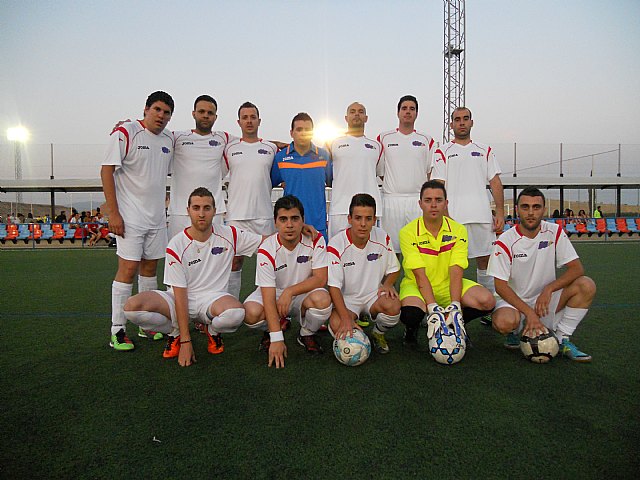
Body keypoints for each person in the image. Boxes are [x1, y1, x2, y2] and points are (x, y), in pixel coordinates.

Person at [123, 187, 263, 366]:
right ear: (188, 211)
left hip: (213, 299)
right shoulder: (177, 244)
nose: (202, 213)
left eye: (207, 208)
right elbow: (180, 294)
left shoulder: (231, 234)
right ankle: (174, 333)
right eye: (196, 208)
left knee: (236, 313)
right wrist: (185, 341)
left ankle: (212, 331)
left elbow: (267, 241)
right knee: (132, 308)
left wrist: (298, 230)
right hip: (178, 298)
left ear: (215, 210)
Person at [100, 91, 175, 351]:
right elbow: (106, 170)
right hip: (130, 218)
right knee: (128, 270)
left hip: (157, 219)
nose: (161, 116)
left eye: (166, 113)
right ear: (145, 109)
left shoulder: (169, 139)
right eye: (157, 110)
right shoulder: (126, 132)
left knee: (149, 270)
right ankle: (117, 330)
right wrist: (114, 213)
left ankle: (145, 325)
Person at [487, 187, 596, 362]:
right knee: (503, 322)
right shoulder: (505, 241)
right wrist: (528, 313)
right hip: (515, 302)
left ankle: (562, 338)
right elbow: (500, 286)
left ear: (543, 209)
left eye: (536, 207)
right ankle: (516, 331)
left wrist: (549, 289)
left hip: (544, 301)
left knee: (586, 285)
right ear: (517, 210)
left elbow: (577, 269)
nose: (531, 212)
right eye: (525, 207)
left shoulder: (554, 232)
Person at [398, 180, 495, 346]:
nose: (433, 205)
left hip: (448, 284)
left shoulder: (458, 230)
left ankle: (455, 323)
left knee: (487, 301)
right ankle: (412, 328)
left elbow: (456, 271)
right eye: (428, 200)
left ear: (446, 203)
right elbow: (419, 276)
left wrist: (456, 305)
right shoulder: (407, 232)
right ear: (420, 204)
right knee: (410, 314)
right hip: (416, 286)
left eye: (438, 200)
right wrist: (432, 307)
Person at [243, 195, 332, 368]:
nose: (289, 225)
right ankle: (271, 330)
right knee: (250, 313)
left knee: (323, 300)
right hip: (274, 295)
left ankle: (306, 333)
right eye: (283, 219)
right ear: (275, 222)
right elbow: (267, 295)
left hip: (302, 294)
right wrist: (277, 338)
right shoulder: (267, 248)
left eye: (294, 219)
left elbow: (321, 278)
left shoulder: (315, 239)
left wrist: (289, 291)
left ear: (303, 220)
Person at [431, 107, 504, 304]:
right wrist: (445, 216)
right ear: (451, 124)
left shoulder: (484, 150)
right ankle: (446, 306)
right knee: (451, 265)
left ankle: (489, 308)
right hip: (454, 220)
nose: (461, 122)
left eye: (465, 119)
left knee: (485, 262)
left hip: (481, 217)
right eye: (457, 119)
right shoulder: (442, 151)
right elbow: (438, 186)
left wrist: (500, 212)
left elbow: (495, 181)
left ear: (472, 122)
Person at [327, 193, 401, 354]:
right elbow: (333, 287)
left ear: (374, 220)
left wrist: (388, 284)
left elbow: (394, 268)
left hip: (373, 296)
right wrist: (346, 318)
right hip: (348, 300)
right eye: (358, 218)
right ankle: (355, 329)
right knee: (337, 324)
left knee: (394, 306)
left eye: (368, 218)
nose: (363, 224)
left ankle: (377, 333)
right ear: (349, 219)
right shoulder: (336, 244)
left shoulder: (382, 237)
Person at [223, 102, 278, 299]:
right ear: (238, 122)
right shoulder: (229, 149)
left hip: (264, 216)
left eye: (252, 117)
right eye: (245, 117)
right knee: (234, 263)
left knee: (270, 263)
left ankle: (272, 310)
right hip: (237, 216)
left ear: (259, 120)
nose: (249, 121)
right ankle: (230, 305)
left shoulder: (271, 148)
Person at [169, 95, 234, 238]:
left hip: (213, 212)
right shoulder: (176, 137)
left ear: (215, 117)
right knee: (179, 257)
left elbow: (249, 143)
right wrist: (130, 126)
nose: (206, 116)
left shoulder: (224, 138)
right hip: (180, 213)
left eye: (210, 113)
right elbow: (152, 135)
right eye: (202, 112)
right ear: (194, 113)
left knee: (214, 258)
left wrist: (275, 144)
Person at [376, 95, 434, 252]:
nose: (408, 112)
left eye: (412, 109)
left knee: (420, 250)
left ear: (417, 113)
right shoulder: (383, 138)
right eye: (404, 108)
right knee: (392, 252)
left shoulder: (426, 140)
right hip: (391, 201)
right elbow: (381, 171)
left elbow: (429, 172)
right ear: (398, 112)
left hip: (417, 201)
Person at [271, 112, 332, 239]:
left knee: (320, 260)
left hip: (318, 226)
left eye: (307, 130)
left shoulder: (324, 156)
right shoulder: (280, 158)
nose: (303, 133)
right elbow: (268, 184)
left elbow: (333, 182)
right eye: (299, 129)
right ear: (291, 133)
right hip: (291, 227)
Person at [327, 102, 383, 239]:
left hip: (369, 210)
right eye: (352, 111)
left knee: (370, 255)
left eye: (360, 111)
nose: (356, 114)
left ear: (366, 118)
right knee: (337, 253)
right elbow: (327, 176)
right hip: (340, 209)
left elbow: (380, 174)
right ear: (346, 118)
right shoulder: (332, 144)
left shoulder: (376, 146)